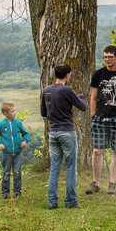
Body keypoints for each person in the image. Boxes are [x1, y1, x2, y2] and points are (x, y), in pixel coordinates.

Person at [87, 44, 116, 195]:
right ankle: (96, 183)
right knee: (97, 151)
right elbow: (93, 97)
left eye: (110, 57)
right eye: (105, 57)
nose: (107, 59)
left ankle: (112, 184)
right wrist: (93, 115)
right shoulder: (98, 74)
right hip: (100, 118)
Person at [40, 64, 87, 209]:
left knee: (55, 168)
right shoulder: (67, 90)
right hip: (67, 132)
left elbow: (43, 113)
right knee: (71, 167)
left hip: (53, 133)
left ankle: (52, 202)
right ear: (67, 75)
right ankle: (70, 201)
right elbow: (82, 107)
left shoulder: (46, 90)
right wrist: (81, 98)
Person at [0, 101, 30, 199]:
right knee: (6, 173)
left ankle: (17, 193)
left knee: (17, 173)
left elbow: (25, 134)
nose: (15, 113)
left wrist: (25, 141)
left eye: (15, 110)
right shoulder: (1, 125)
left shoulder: (18, 123)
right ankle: (5, 193)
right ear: (5, 113)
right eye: (12, 111)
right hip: (6, 154)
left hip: (17, 153)